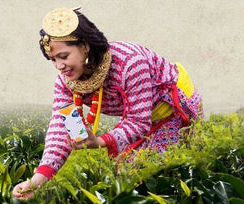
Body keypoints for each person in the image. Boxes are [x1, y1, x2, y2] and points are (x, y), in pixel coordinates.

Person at [12, 7, 203, 200]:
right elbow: (63, 130)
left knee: (144, 172)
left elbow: (138, 122)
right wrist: (35, 181)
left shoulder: (130, 63)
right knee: (124, 176)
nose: (59, 66)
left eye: (64, 56)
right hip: (139, 115)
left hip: (172, 108)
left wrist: (99, 142)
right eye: (53, 59)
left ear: (85, 46)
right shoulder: (65, 82)